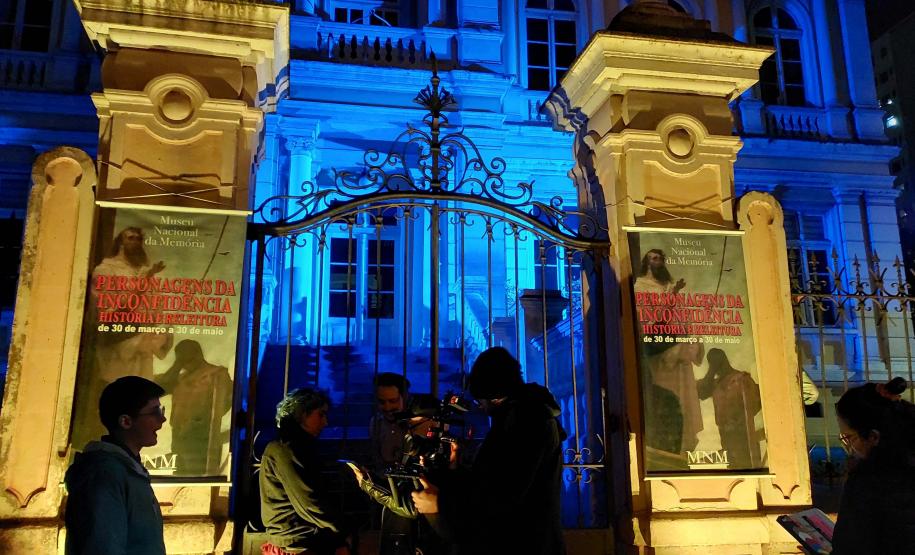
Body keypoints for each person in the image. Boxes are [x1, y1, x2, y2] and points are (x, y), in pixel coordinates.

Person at [411, 347, 566, 555]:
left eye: (479, 400)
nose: (479, 407)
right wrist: (455, 471)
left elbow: (502, 499)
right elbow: (492, 482)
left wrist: (439, 506)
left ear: (493, 395)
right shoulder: (522, 416)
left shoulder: (525, 421)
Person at [64, 376, 167, 555]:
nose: (163, 419)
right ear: (126, 421)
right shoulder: (102, 475)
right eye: (155, 412)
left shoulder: (127, 470)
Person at [259, 388, 350, 555]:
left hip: (300, 541)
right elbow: (309, 503)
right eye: (320, 415)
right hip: (297, 544)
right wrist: (340, 534)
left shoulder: (296, 447)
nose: (325, 422)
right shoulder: (286, 450)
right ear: (302, 415)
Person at [832, 377, 915, 554]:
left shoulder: (866, 483)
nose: (850, 446)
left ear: (873, 437)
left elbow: (850, 547)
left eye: (849, 437)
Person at [155, 339, 233, 476]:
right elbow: (157, 388)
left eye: (186, 357)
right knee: (179, 477)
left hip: (201, 439)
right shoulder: (180, 378)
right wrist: (177, 366)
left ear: (196, 355)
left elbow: (226, 401)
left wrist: (202, 420)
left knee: (197, 478)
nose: (184, 363)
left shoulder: (216, 374)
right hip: (179, 438)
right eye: (180, 358)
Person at [696, 349, 762, 469]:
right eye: (712, 362)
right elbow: (700, 392)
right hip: (727, 439)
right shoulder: (715, 384)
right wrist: (712, 370)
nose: (716, 364)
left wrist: (738, 419)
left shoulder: (742, 379)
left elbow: (756, 403)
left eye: (717, 361)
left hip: (743, 437)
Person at [369, 372, 410, 474]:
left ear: (404, 397)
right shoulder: (375, 423)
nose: (387, 408)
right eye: (382, 402)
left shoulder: (416, 422)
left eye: (393, 401)